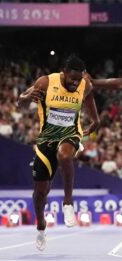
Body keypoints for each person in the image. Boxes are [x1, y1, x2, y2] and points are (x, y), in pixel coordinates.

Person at [18, 55, 99, 251]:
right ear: (64, 72)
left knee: (65, 155)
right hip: (46, 139)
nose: (75, 83)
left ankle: (68, 202)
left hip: (70, 134)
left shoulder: (84, 84)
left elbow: (88, 98)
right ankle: (41, 226)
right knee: (40, 193)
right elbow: (20, 103)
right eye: (72, 78)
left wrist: (95, 120)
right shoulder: (46, 82)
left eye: (78, 79)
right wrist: (27, 98)